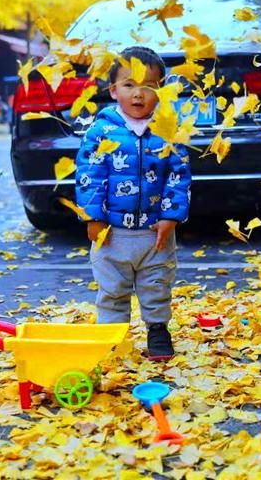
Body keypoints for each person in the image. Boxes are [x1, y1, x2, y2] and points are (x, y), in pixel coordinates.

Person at [76, 46, 191, 361]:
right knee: (112, 289)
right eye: (129, 85)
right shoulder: (101, 131)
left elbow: (179, 175)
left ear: (161, 91)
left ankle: (157, 330)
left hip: (155, 232)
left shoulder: (168, 130)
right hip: (112, 233)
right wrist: (93, 218)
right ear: (114, 90)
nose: (138, 94)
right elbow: (90, 174)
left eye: (148, 86)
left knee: (157, 285)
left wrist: (172, 216)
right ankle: (113, 338)